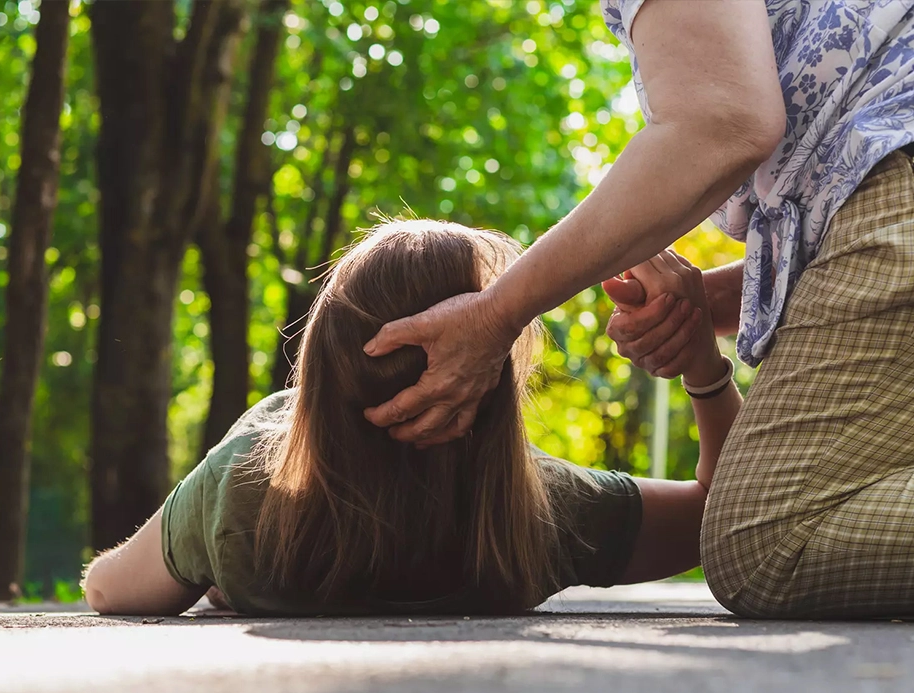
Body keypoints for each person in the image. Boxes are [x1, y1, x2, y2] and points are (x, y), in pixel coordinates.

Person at [360, 1, 914, 619]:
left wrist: (496, 313)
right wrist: (700, 315)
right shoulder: (555, 511)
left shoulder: (236, 500)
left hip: (895, 165)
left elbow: (722, 122)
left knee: (765, 543)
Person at [80, 220, 735, 616]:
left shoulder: (245, 489)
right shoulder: (540, 514)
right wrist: (705, 367)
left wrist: (216, 557)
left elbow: (107, 590)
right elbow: (725, 513)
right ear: (491, 383)